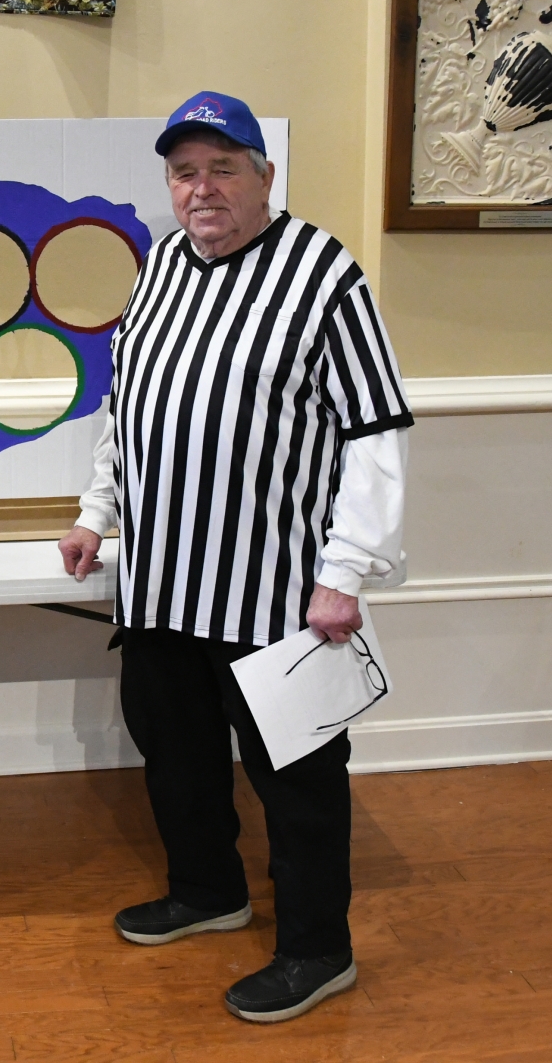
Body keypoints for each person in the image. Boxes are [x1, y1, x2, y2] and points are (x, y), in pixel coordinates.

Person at [57, 91, 411, 1023]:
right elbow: (126, 409)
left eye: (223, 168)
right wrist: (96, 513)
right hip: (163, 585)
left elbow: (373, 434)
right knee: (175, 757)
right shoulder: (161, 268)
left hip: (276, 594)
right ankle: (208, 890)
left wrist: (346, 571)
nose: (201, 188)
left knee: (297, 784)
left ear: (264, 175)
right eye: (185, 172)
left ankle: (317, 950)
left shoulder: (325, 276)